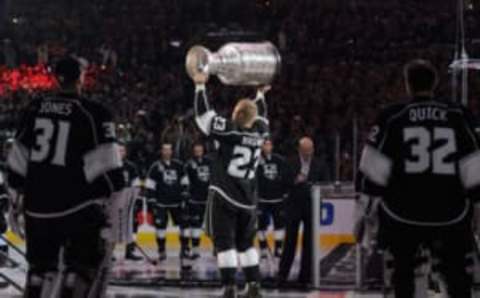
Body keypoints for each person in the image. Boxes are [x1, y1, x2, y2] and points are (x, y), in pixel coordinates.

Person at [358, 60, 479, 298]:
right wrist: (475, 202)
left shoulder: (392, 116)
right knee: (456, 276)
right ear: (435, 83)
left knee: (403, 276)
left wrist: (365, 209)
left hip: (403, 212)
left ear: (407, 84)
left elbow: (373, 170)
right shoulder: (458, 114)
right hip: (450, 212)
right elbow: (474, 167)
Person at [6, 57, 125, 297]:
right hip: (77, 209)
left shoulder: (33, 108)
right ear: (80, 78)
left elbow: (17, 162)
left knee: (39, 271)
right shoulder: (94, 113)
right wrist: (113, 202)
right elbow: (110, 171)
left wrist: (16, 198)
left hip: (37, 210)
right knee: (79, 270)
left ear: (55, 78)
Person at [192, 72, 270, 298]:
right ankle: (254, 285)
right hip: (248, 200)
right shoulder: (261, 133)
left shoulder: (231, 131)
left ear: (236, 114)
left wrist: (199, 86)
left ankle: (228, 287)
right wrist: (260, 95)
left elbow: (203, 117)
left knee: (225, 243)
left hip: (225, 194)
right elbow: (262, 115)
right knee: (247, 244)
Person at [278, 136, 330, 286]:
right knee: (290, 242)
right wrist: (295, 181)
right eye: (305, 150)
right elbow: (283, 182)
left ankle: (305, 278)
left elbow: (326, 182)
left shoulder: (320, 164)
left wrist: (314, 185)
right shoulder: (289, 162)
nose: (308, 153)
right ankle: (282, 276)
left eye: (310, 150)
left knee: (309, 243)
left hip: (312, 206)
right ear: (299, 149)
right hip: (294, 206)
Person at [145, 142, 189, 262]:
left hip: (177, 203)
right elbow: (150, 186)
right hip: (161, 203)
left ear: (172, 151)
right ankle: (161, 250)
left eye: (169, 150)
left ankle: (184, 249)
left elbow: (185, 182)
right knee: (160, 228)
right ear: (161, 151)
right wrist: (152, 201)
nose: (167, 152)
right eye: (165, 150)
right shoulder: (155, 166)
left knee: (184, 226)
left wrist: (185, 195)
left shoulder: (179, 165)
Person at [256, 139, 289, 259]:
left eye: (269, 144)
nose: (267, 146)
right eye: (265, 144)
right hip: (262, 200)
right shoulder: (256, 161)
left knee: (279, 225)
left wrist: (285, 192)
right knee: (261, 226)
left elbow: (285, 177)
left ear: (272, 146)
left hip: (278, 199)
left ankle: (278, 248)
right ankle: (263, 249)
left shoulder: (280, 160)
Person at [185, 142, 212, 260]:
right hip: (195, 200)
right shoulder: (188, 164)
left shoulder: (210, 162)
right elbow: (185, 182)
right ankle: (195, 250)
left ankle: (217, 248)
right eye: (196, 150)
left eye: (200, 150)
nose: (198, 152)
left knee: (213, 226)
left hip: (209, 200)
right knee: (195, 226)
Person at [118, 142, 143, 261]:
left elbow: (136, 183)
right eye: (118, 150)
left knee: (131, 225)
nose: (120, 153)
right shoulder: (111, 167)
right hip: (114, 201)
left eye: (122, 150)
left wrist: (136, 199)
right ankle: (109, 253)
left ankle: (129, 251)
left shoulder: (131, 166)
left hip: (128, 200)